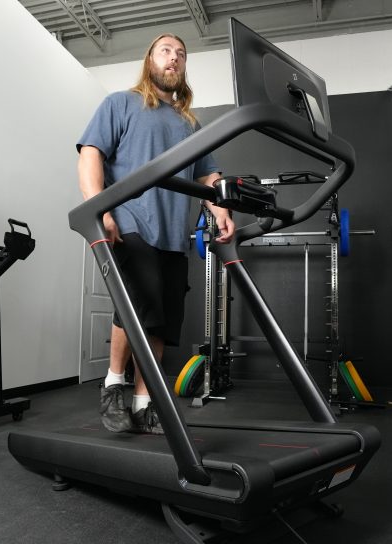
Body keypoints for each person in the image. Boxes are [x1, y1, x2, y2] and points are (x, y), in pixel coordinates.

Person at [77, 33, 235, 434]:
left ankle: (145, 403)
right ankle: (114, 384)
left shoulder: (190, 124)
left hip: (172, 234)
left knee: (162, 319)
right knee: (139, 301)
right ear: (150, 60)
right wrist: (100, 208)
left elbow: (208, 176)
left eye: (181, 54)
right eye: (166, 51)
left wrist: (221, 212)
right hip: (130, 222)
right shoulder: (120, 103)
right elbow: (90, 153)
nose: (174, 58)